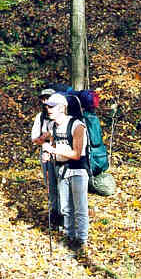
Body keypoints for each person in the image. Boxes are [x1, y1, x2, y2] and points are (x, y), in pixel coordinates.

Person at [42, 93, 89, 255]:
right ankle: (69, 236)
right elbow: (54, 145)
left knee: (80, 208)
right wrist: (48, 154)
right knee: (65, 208)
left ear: (62, 108)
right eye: (48, 106)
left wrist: (53, 150)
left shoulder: (77, 126)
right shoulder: (52, 126)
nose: (48, 109)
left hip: (77, 170)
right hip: (61, 169)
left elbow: (77, 154)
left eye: (52, 106)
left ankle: (81, 241)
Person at [31, 88, 61, 226]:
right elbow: (34, 139)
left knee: (63, 185)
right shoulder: (40, 117)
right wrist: (47, 137)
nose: (45, 101)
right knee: (51, 186)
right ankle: (54, 214)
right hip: (46, 155)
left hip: (62, 155)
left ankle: (64, 215)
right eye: (43, 99)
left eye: (48, 98)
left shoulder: (62, 115)